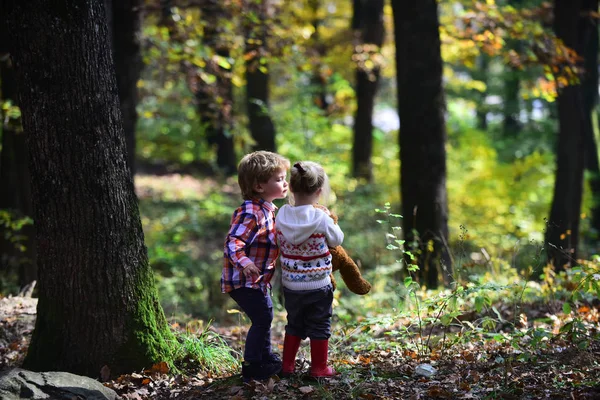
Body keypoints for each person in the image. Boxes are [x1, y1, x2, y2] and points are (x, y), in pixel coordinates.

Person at [222, 150, 290, 382]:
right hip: (242, 279)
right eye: (279, 179)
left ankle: (266, 356)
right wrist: (245, 262)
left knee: (266, 314)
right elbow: (233, 242)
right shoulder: (252, 212)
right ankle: (252, 364)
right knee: (262, 317)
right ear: (259, 186)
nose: (285, 183)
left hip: (258, 281)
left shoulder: (269, 211)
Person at [275, 161, 344, 377]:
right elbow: (337, 239)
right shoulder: (320, 217)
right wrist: (331, 220)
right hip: (318, 284)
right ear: (319, 191)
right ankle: (319, 368)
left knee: (294, 323)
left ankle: (287, 367)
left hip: (291, 284)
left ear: (292, 189)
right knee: (320, 325)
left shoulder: (282, 214)